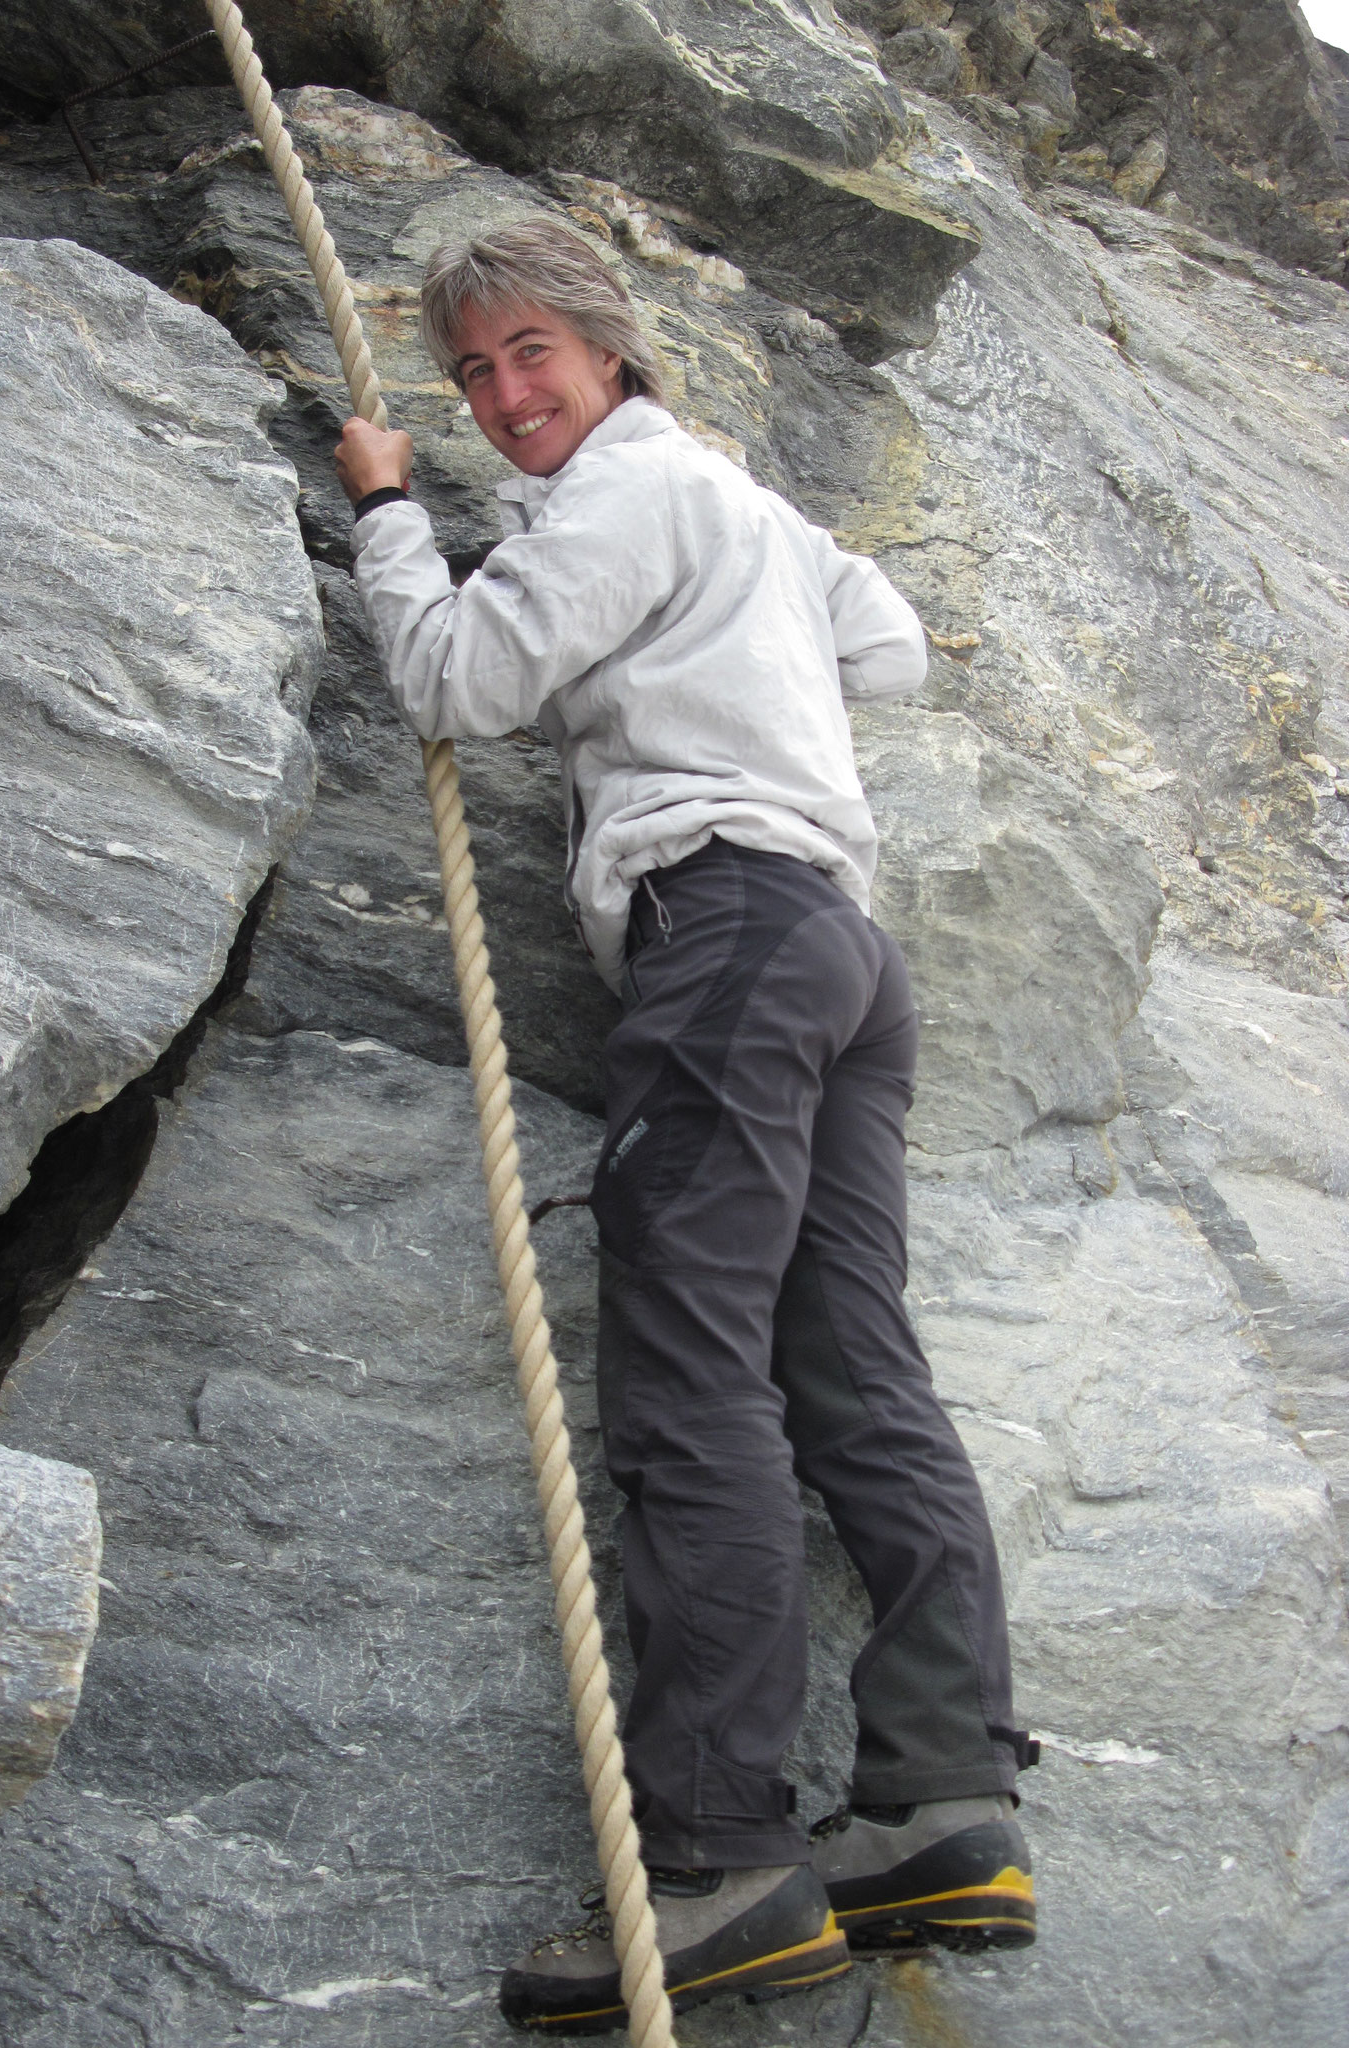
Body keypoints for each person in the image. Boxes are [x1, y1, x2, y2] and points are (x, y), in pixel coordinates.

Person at [335, 216, 1037, 2034]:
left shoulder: (624, 497)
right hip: (838, 947)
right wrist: (742, 640)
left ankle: (722, 1859)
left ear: (609, 347)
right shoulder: (739, 501)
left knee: (687, 1378)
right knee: (854, 1370)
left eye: (527, 355)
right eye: (475, 372)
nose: (503, 396)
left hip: (721, 930)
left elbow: (452, 682)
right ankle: (945, 1810)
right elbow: (884, 648)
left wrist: (396, 511)